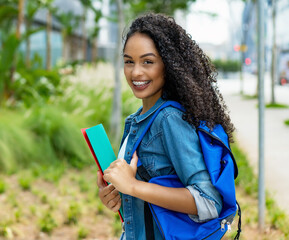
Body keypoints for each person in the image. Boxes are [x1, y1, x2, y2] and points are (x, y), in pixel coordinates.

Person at [96, 13, 235, 240]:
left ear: (168, 65)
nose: (136, 72)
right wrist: (115, 195)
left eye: (148, 61)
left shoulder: (169, 119)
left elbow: (209, 202)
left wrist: (132, 186)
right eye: (129, 61)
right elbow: (145, 200)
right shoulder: (136, 120)